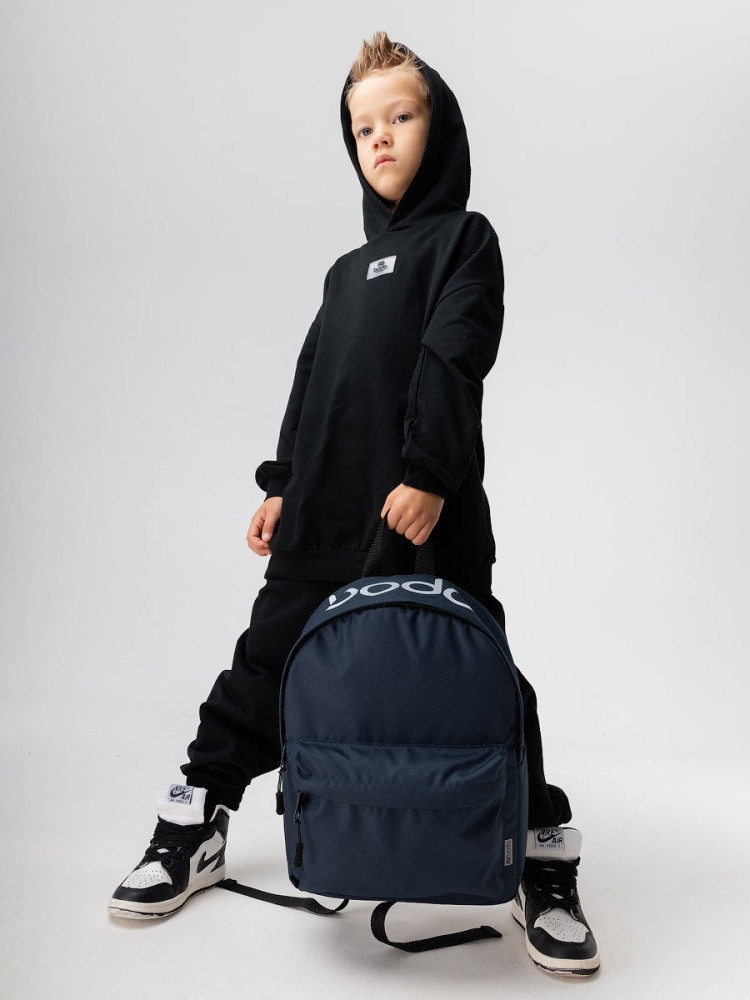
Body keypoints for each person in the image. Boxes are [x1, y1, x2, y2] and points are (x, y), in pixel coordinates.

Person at [108, 31, 600, 978]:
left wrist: (430, 474)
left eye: (400, 117)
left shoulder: (465, 239)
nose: (379, 138)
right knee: (264, 662)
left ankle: (538, 853)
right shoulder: (343, 271)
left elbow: (456, 355)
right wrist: (282, 484)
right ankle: (197, 820)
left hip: (425, 507)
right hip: (325, 511)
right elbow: (312, 382)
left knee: (477, 669)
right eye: (362, 126)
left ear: (439, 127)